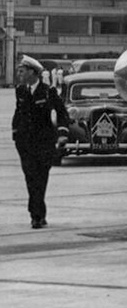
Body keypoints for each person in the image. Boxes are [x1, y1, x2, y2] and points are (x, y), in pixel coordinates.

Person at [12, 55, 68, 228]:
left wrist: (62, 133)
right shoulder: (21, 91)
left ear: (32, 72)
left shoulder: (48, 91)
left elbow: (61, 112)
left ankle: (37, 214)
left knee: (40, 178)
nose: (19, 74)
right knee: (30, 177)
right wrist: (15, 131)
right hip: (25, 143)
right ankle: (36, 215)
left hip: (44, 143)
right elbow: (18, 113)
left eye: (22, 71)